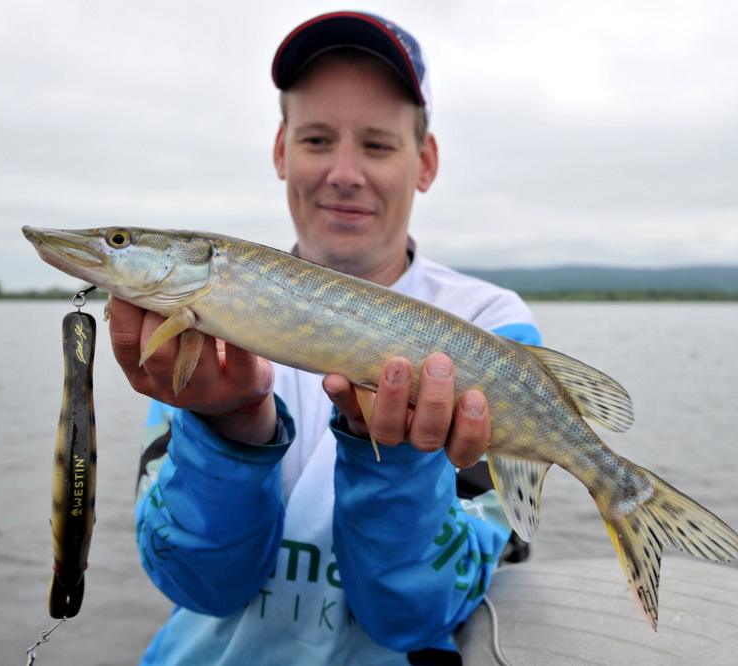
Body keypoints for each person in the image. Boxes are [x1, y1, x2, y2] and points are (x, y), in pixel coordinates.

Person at [110, 11, 542, 665]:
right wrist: (228, 427)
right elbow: (198, 583)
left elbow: (415, 614)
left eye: (377, 145)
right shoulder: (202, 327)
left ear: (425, 162)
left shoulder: (491, 323)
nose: (344, 172)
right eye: (316, 139)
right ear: (281, 151)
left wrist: (399, 464)